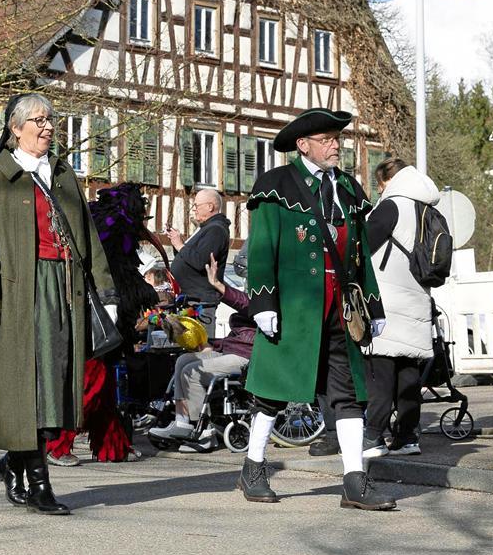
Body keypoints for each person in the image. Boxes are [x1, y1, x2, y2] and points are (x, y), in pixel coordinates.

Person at [0, 93, 116, 515]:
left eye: (51, 119)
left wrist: (105, 293)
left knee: (57, 390)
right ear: (15, 128)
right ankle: (38, 484)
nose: (49, 126)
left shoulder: (64, 176)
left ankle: (11, 462)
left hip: (64, 291)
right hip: (19, 296)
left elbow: (89, 242)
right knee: (26, 394)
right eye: (39, 120)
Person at [242, 107, 394, 510]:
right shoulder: (274, 185)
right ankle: (253, 466)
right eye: (326, 140)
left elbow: (360, 256)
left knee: (348, 395)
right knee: (273, 392)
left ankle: (354, 480)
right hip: (293, 305)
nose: (334, 146)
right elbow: (262, 248)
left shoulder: (348, 187)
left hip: (343, 307)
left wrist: (372, 306)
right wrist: (262, 302)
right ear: (302, 145)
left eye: (336, 139)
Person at [46, 183, 159, 465]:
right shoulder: (109, 244)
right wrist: (145, 292)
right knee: (90, 386)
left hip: (104, 327)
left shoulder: (108, 240)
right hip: (95, 326)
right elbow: (118, 281)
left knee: (104, 391)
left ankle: (113, 447)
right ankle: (55, 444)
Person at [362, 157, 440, 457]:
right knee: (409, 375)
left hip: (388, 300)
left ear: (387, 182)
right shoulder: (427, 208)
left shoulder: (391, 205)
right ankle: (407, 437)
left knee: (380, 372)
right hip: (419, 298)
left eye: (380, 185)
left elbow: (363, 245)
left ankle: (373, 437)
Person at [151, 253, 254, 449]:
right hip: (235, 347)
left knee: (193, 371)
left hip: (248, 354)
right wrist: (213, 345)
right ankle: (182, 421)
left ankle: (202, 431)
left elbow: (247, 305)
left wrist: (218, 284)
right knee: (183, 361)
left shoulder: (268, 295)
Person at [166, 188, 230, 331]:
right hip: (191, 298)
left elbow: (201, 261)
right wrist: (179, 245)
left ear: (210, 206)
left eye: (196, 205)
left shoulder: (216, 229)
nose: (193, 209)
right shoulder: (206, 228)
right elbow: (189, 257)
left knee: (202, 347)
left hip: (201, 301)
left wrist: (180, 245)